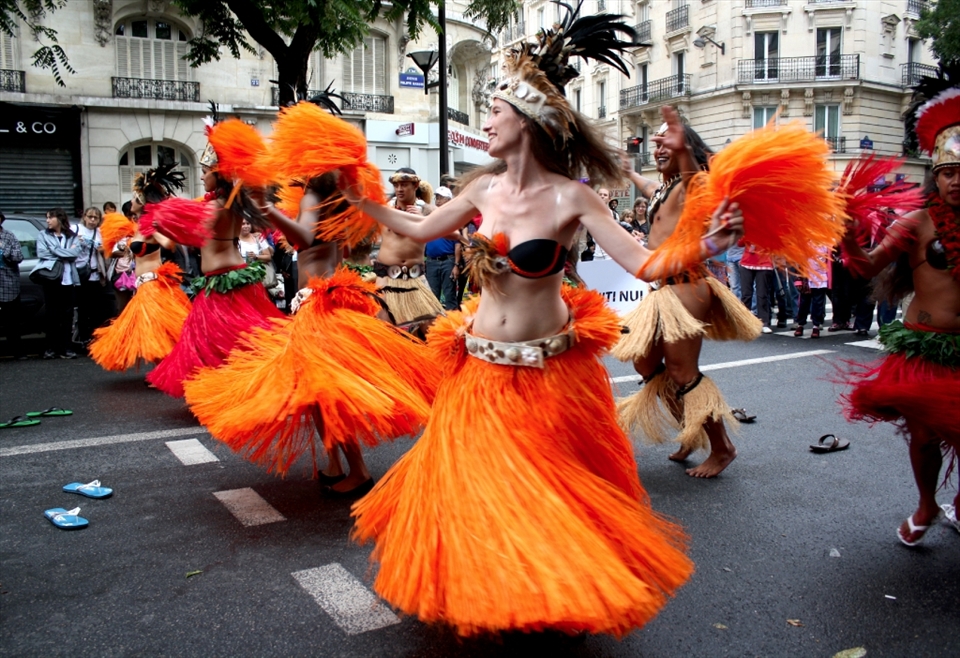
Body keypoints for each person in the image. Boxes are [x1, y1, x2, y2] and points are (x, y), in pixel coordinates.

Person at [343, 8, 745, 637]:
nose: (487, 121)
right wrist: (357, 200)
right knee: (477, 488)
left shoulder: (572, 197)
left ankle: (547, 588)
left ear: (526, 122)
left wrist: (708, 247)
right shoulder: (481, 189)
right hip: (477, 366)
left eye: (496, 112)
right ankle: (491, 587)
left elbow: (643, 263)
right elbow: (420, 230)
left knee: (543, 493)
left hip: (549, 372)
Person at [187, 168, 438, 497]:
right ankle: (335, 463)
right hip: (323, 300)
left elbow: (304, 238)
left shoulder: (312, 196)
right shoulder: (332, 201)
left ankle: (359, 471)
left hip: (319, 307)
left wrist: (269, 209)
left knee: (324, 395)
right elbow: (334, 249)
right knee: (318, 395)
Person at [839, 82, 960, 546]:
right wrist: (849, 235)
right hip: (927, 350)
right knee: (926, 434)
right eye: (949, 172)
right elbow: (866, 265)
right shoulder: (919, 221)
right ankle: (927, 503)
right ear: (936, 175)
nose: (956, 181)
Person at [618, 121, 762, 477]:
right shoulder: (663, 190)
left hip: (686, 288)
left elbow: (693, 175)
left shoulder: (690, 186)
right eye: (658, 145)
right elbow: (648, 184)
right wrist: (630, 172)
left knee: (683, 372)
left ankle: (722, 447)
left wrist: (682, 150)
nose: (659, 149)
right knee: (646, 365)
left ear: (686, 150)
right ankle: (691, 431)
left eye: (669, 145)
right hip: (661, 290)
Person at [146, 115, 284, 397]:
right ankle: (231, 388)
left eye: (205, 170)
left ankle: (233, 389)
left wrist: (156, 211)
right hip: (227, 278)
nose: (201, 175)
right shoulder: (226, 204)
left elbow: (183, 233)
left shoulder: (215, 210)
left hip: (224, 283)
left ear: (218, 174)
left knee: (223, 340)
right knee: (226, 340)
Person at [89, 167, 193, 372]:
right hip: (142, 285)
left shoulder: (150, 226)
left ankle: (166, 370)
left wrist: (156, 227)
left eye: (136, 199)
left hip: (154, 284)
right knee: (150, 329)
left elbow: (170, 245)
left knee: (156, 329)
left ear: (143, 203)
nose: (132, 202)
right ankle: (165, 370)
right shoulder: (136, 227)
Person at [372, 167, 444, 336]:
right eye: (396, 185)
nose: (399, 189)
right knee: (385, 330)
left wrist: (422, 219)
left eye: (404, 185)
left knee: (432, 331)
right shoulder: (385, 208)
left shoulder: (427, 210)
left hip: (416, 278)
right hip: (387, 278)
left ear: (416, 185)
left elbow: (451, 230)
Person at [33, 208, 81, 359]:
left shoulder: (72, 236)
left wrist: (54, 250)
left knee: (67, 315)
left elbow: (75, 254)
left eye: (50, 218)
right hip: (52, 279)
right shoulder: (43, 235)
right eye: (47, 218)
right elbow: (42, 253)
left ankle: (67, 348)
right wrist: (65, 252)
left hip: (68, 280)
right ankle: (51, 348)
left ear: (59, 219)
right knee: (52, 315)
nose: (47, 221)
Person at [423, 187, 461, 311]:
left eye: (441, 197)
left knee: (449, 294)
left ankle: (453, 325)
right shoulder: (429, 216)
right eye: (437, 197)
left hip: (448, 261)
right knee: (432, 295)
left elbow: (457, 244)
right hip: (431, 261)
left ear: (449, 200)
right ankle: (434, 326)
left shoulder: (453, 218)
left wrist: (456, 265)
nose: (438, 200)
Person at [75, 206, 109, 345]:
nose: (93, 220)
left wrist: (98, 246)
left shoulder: (99, 232)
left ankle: (93, 338)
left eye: (96, 218)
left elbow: (104, 248)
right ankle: (82, 337)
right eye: (90, 217)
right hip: (80, 274)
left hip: (95, 275)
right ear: (84, 217)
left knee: (96, 310)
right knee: (82, 309)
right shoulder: (76, 229)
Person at [0, 211, 25, 359]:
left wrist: (4, 251)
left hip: (8, 284)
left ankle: (17, 351)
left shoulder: (9, 236)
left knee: (12, 322)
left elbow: (18, 257)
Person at [793, 248, 830, 338]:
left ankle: (816, 326)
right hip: (807, 276)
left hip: (821, 277)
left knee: (818, 303)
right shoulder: (806, 241)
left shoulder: (827, 244)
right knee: (803, 303)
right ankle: (800, 324)